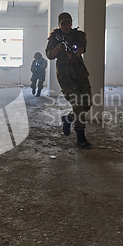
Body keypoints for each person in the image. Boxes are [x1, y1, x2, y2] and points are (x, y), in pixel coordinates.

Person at [45, 12, 91, 148]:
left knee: (87, 104)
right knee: (78, 104)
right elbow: (49, 55)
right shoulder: (54, 37)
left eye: (68, 23)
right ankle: (81, 137)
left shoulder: (79, 35)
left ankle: (68, 118)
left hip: (80, 73)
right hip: (65, 75)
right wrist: (58, 48)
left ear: (71, 23)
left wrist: (76, 54)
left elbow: (82, 47)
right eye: (63, 23)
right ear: (59, 25)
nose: (66, 25)